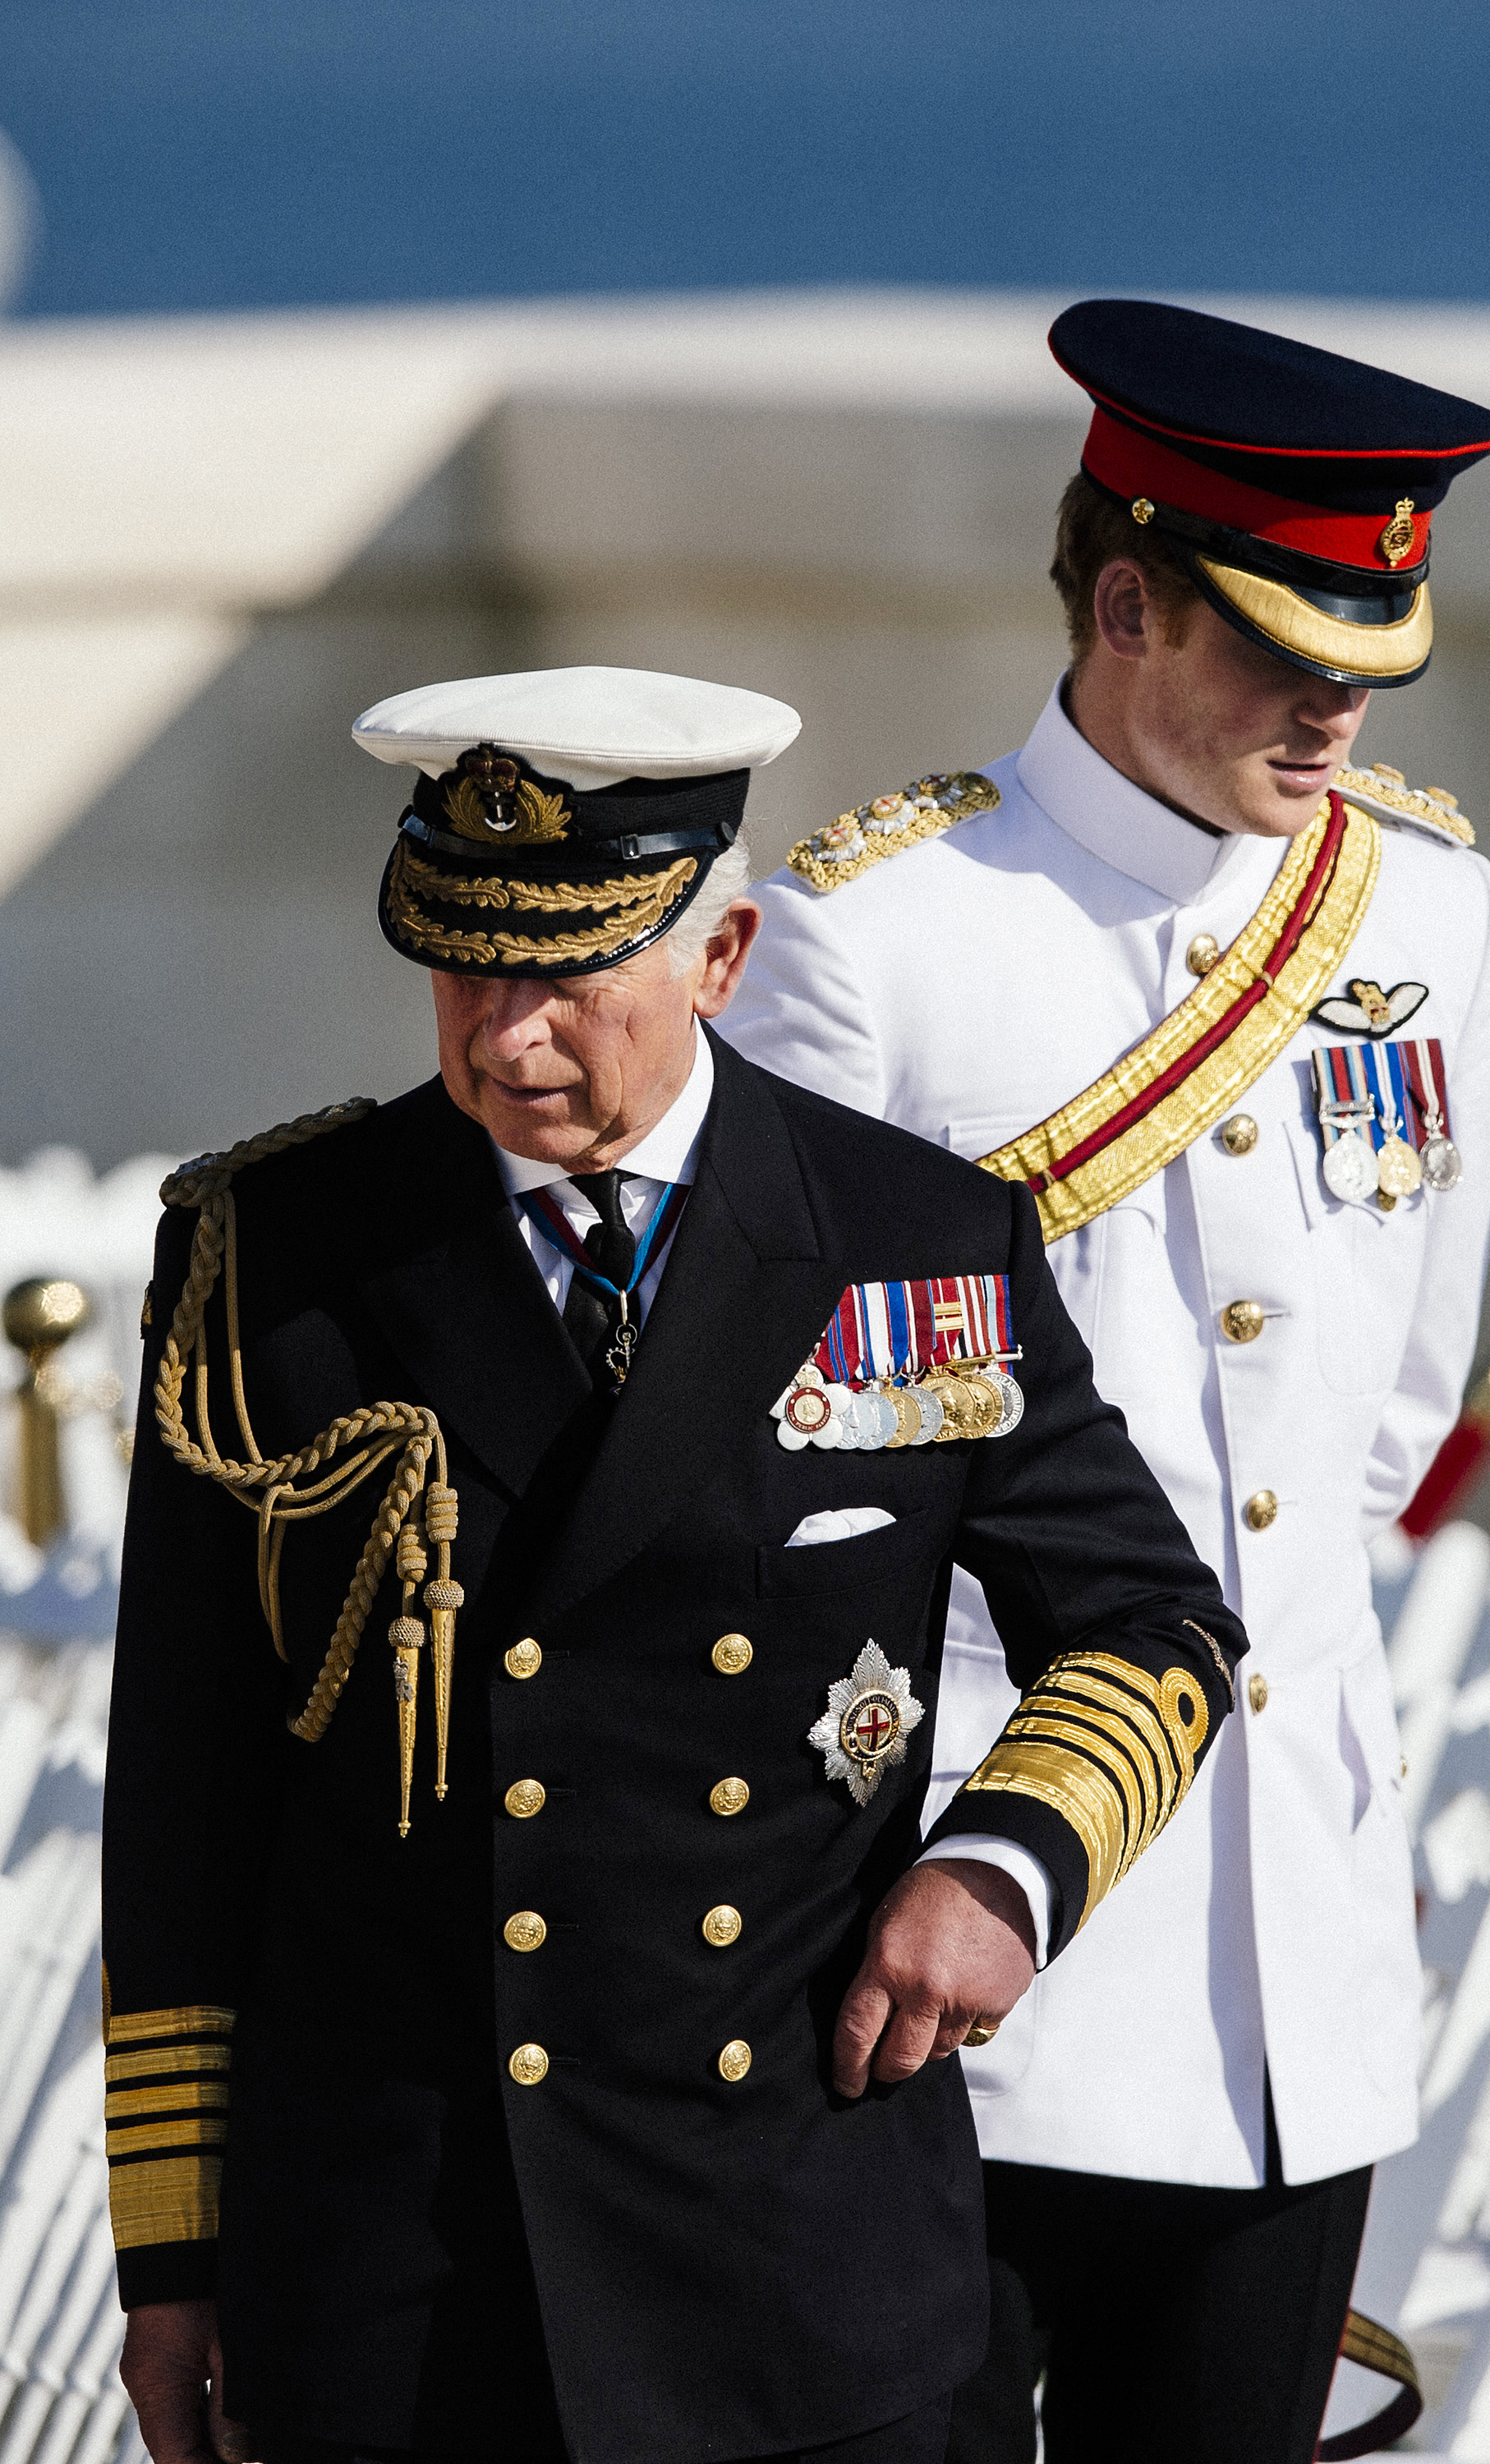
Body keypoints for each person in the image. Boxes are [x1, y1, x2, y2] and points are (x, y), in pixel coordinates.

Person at [103, 664, 1248, 2464]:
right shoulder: (274, 1259)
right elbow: (186, 1796)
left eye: (569, 976)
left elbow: (1151, 1621)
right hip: (399, 2287)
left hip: (792, 2262)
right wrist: (171, 2265)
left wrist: (1005, 1868)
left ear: (720, 959)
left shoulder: (906, 1237)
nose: (508, 1039)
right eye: (466, 968)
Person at [720, 302, 1490, 2463]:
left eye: (1372, 654)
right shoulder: (877, 944)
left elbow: (1383, 1424)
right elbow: (777, 1485)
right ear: (1128, 596)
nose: (1337, 705)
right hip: (956, 1935)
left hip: (1289, 1957)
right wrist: (956, 1847)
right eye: (1281, 647)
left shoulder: (1436, 917)